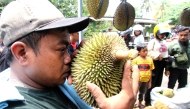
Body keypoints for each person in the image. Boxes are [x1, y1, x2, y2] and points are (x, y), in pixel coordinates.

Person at [0, 0, 138, 108]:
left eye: (68, 48)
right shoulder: (19, 106)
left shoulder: (47, 82)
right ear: (22, 53)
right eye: (61, 49)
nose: (69, 58)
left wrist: (87, 63)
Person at [145, 23, 171, 106]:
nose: (162, 36)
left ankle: (155, 99)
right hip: (154, 63)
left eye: (164, 34)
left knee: (158, 83)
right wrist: (157, 55)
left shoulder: (164, 42)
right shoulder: (152, 42)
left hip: (162, 63)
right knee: (151, 83)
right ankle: (147, 100)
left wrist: (167, 65)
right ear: (156, 33)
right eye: (161, 34)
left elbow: (166, 53)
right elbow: (148, 52)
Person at [132, 44, 154, 108]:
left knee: (142, 92)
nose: (146, 52)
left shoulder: (150, 60)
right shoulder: (135, 60)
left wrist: (150, 82)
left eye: (146, 50)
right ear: (139, 52)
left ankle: (140, 103)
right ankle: (133, 103)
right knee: (135, 92)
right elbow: (133, 71)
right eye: (144, 51)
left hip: (146, 79)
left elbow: (150, 70)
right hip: (137, 80)